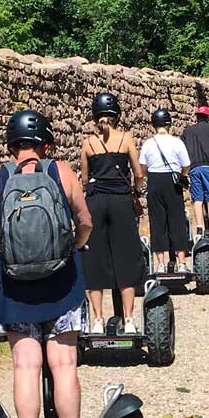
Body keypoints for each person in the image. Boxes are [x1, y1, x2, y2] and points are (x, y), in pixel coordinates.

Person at [0, 109, 94, 418]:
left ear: (12, 144)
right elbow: (85, 221)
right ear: (45, 143)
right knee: (63, 365)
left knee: (26, 365)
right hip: (62, 282)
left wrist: (14, 253)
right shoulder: (59, 171)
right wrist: (72, 248)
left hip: (16, 287)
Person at [80, 91, 145, 334]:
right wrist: (138, 191)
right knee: (126, 257)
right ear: (117, 115)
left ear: (95, 116)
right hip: (120, 202)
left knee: (95, 259)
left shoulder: (88, 143)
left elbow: (85, 180)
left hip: (96, 202)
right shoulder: (126, 139)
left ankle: (97, 320)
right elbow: (138, 174)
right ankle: (128, 319)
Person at [139, 107, 191, 275]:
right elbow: (186, 164)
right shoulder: (177, 142)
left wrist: (148, 178)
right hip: (173, 182)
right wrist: (182, 176)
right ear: (169, 124)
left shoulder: (148, 144)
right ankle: (181, 262)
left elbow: (142, 168)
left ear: (154, 125)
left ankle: (161, 263)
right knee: (176, 220)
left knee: (157, 221)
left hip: (154, 181)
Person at [182, 103, 209, 241]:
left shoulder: (187, 131)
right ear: (208, 116)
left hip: (194, 167)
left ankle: (200, 229)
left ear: (197, 116)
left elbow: (182, 150)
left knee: (197, 199)